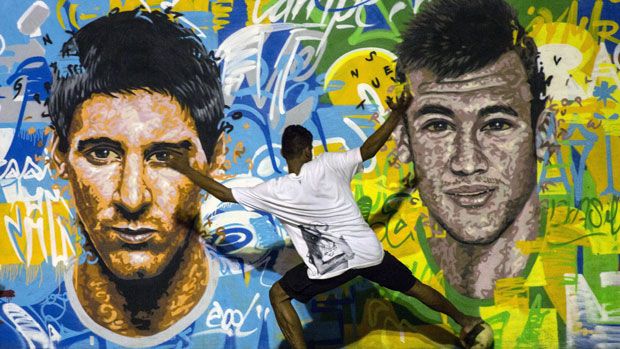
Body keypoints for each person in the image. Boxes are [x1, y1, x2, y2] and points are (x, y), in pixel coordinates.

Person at [166, 92, 494, 348]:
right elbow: (368, 149)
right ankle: (466, 321)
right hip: (367, 253)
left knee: (279, 295)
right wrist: (396, 114)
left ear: (284, 154)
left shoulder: (276, 190)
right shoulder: (329, 165)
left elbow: (224, 195)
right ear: (308, 149)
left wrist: (186, 169)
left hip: (332, 265)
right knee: (414, 287)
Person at [47, 8, 224, 342]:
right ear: (58, 155)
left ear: (215, 158)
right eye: (101, 154)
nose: (132, 198)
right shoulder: (19, 329)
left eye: (165, 157)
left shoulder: (270, 313)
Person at [394, 0, 553, 299]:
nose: (467, 163)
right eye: (438, 126)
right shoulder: (376, 275)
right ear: (403, 141)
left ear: (542, 135)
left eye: (496, 125)